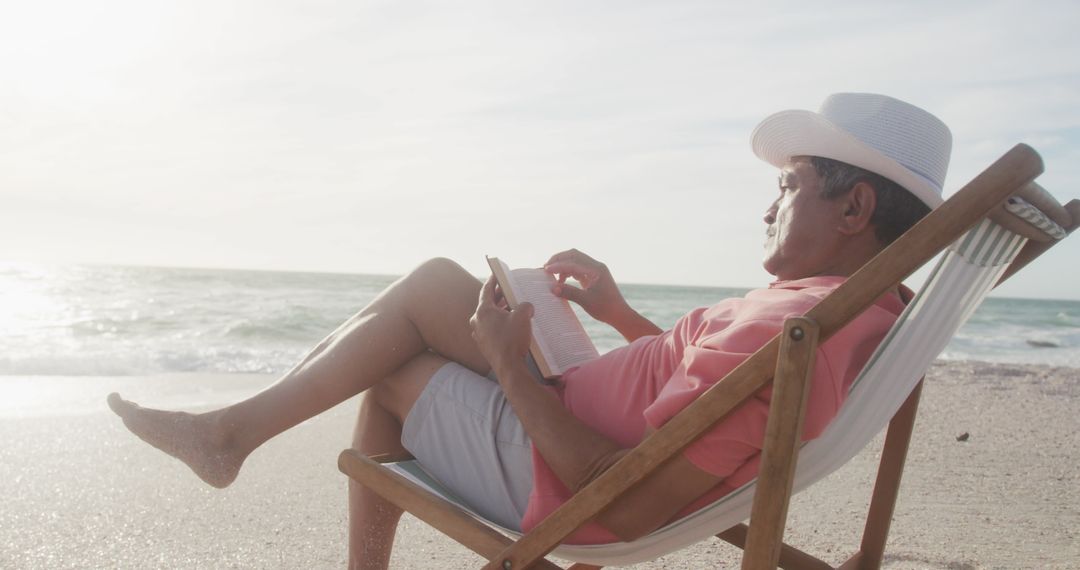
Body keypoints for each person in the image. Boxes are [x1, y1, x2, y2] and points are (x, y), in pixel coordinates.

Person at [108, 93, 952, 569]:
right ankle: (235, 436)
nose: (770, 204)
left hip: (564, 475)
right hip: (574, 415)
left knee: (404, 344)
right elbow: (713, 393)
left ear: (857, 206)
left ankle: (229, 435)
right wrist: (616, 316)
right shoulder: (857, 313)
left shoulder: (795, 323)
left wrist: (513, 367)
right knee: (433, 298)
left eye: (792, 184)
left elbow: (619, 500)